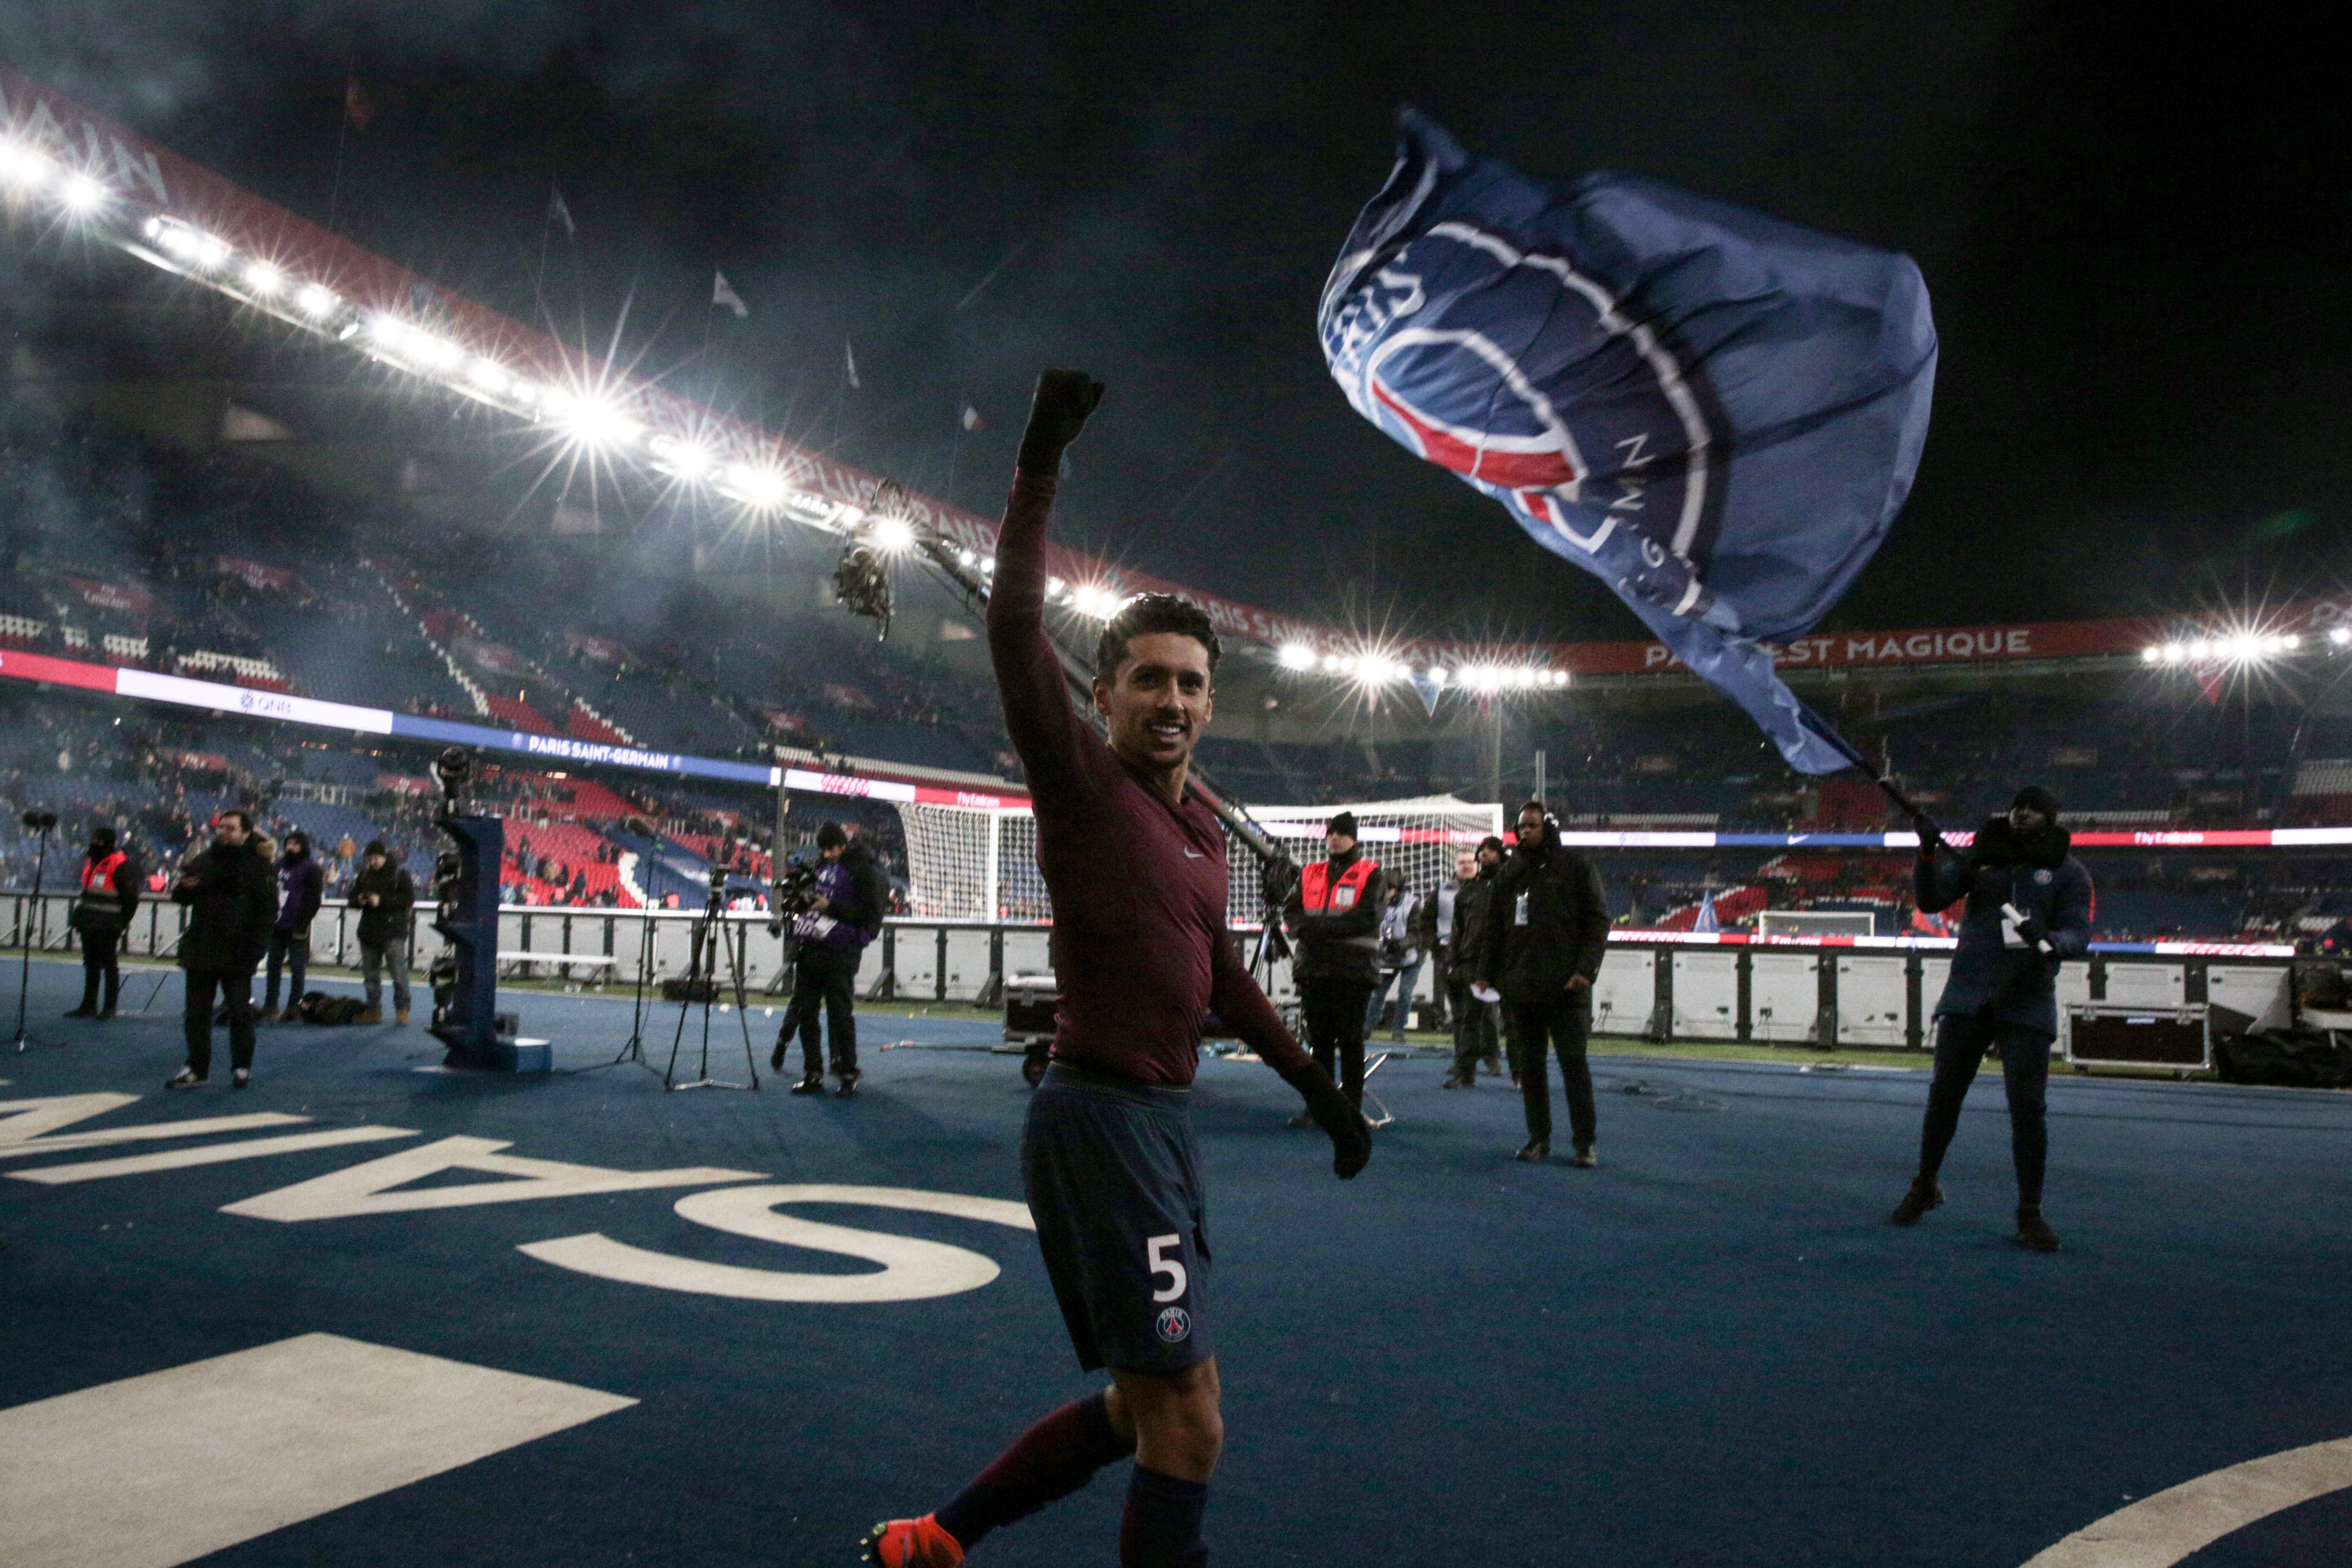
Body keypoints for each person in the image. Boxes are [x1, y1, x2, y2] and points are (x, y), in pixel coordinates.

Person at [863, 369, 1368, 1568]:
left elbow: (1226, 981)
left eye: (1192, 683)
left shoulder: (1200, 833)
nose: (1174, 699)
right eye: (1148, 677)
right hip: (1099, 1122)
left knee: (1143, 1410)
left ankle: (939, 1539)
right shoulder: (1084, 785)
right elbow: (1007, 624)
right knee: (1187, 1428)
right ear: (1103, 695)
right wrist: (1038, 456)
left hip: (1160, 1125)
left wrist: (1318, 1089)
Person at [1890, 786, 2091, 1252]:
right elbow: (1929, 902)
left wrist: (2050, 939)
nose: (2022, 814)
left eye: (2035, 810)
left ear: (2051, 819)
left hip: (2026, 1001)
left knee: (2027, 1112)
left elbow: (2078, 934)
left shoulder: (2068, 872)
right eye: (2018, 806)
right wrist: (1924, 853)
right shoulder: (1979, 861)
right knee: (1942, 1098)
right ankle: (1924, 1187)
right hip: (1967, 996)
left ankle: (2029, 1213)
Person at [1482, 801, 1609, 1164]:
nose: (1525, 832)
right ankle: (1538, 1139)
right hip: (1523, 988)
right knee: (1530, 1067)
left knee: (1574, 1065)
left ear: (1547, 827)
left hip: (1567, 988)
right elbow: (1495, 926)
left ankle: (1585, 1144)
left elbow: (1598, 923)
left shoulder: (1575, 867)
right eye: (1521, 826)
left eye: (1532, 826)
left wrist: (1585, 971)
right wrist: (1488, 972)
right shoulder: (1510, 873)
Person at [1279, 811, 1386, 1125]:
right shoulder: (1309, 872)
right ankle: (1320, 1109)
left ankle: (1350, 1111)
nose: (1335, 838)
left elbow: (1369, 916)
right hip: (1315, 970)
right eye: (1331, 833)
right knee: (1319, 1044)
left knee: (1351, 1042)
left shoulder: (1372, 873)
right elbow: (1291, 910)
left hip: (1353, 971)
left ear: (1354, 838)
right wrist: (1308, 929)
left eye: (1342, 833)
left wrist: (1318, 931)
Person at [771, 820, 888, 1097]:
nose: (826, 855)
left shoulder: (864, 869)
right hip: (812, 945)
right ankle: (813, 1072)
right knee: (807, 1012)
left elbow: (869, 913)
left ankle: (847, 1073)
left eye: (830, 850)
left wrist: (831, 907)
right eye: (822, 850)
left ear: (842, 845)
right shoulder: (823, 867)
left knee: (840, 1014)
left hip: (841, 949)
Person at [166, 810, 277, 1090]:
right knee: (196, 1013)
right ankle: (197, 1068)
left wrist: (258, 949)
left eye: (231, 828)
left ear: (246, 833)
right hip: (202, 946)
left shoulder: (259, 866)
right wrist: (184, 888)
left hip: (238, 951)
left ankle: (241, 1067)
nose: (223, 832)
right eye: (221, 827)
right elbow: (180, 896)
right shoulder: (205, 860)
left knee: (240, 1012)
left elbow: (267, 912)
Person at [1441, 842, 1505, 1088]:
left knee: (1515, 1021)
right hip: (1472, 962)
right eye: (1482, 851)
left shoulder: (1512, 883)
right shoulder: (1470, 890)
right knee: (1469, 1018)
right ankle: (1466, 1072)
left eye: (1490, 850)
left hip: (1506, 963)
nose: (1484, 855)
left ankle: (1521, 1073)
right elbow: (1458, 930)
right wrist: (1453, 960)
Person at [65, 825, 141, 1021]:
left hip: (108, 925)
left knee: (109, 965)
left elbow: (131, 899)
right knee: (91, 964)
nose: (93, 842)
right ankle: (89, 1005)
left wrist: (122, 923)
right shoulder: (92, 861)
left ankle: (109, 1007)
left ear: (108, 841)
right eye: (93, 838)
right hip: (89, 923)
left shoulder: (119, 863)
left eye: (98, 839)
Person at [258, 830, 322, 1022]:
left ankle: (294, 1008)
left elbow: (314, 900)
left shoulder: (311, 868)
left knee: (297, 968)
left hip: (297, 926)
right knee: (273, 966)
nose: (290, 847)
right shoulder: (279, 866)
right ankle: (271, 1006)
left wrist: (304, 921)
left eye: (295, 844)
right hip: (277, 923)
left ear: (303, 846)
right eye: (288, 844)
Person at [350, 840, 415, 1026]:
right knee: (370, 975)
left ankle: (402, 1010)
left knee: (398, 973)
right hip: (370, 930)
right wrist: (360, 900)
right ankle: (374, 1010)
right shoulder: (364, 876)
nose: (373, 861)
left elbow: (408, 900)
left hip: (392, 931)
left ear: (385, 856)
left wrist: (382, 901)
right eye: (370, 858)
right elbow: (352, 898)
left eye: (377, 857)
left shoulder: (400, 875)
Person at [1362, 880, 1425, 1043]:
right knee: (1377, 993)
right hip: (1388, 957)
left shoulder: (1413, 905)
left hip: (1411, 957)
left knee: (1405, 993)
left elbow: (1415, 934)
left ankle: (1398, 1030)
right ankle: (1366, 1029)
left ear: (1395, 890)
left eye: (1386, 890)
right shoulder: (1377, 904)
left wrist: (1399, 945)